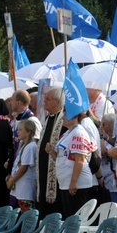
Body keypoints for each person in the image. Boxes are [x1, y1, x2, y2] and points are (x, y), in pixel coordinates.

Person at [47, 108, 97, 216]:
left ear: (74, 117)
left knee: (77, 218)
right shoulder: (67, 133)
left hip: (78, 184)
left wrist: (73, 182)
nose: (63, 118)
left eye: (65, 115)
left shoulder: (78, 133)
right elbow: (63, 158)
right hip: (66, 183)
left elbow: (80, 160)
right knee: (69, 217)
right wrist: (51, 152)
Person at [37, 87, 66, 217]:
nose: (44, 101)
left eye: (48, 99)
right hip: (43, 170)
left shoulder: (64, 121)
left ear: (58, 101)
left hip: (57, 173)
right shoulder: (48, 118)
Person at [7, 119, 38, 212]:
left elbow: (24, 167)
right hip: (19, 187)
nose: (18, 132)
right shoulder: (24, 145)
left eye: (20, 130)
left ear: (28, 132)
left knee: (26, 215)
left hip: (25, 189)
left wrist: (12, 180)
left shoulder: (31, 146)